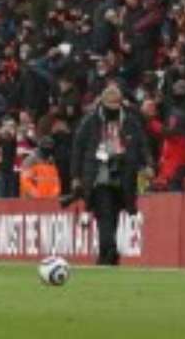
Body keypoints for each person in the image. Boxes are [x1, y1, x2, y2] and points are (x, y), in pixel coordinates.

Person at [69, 83, 148, 268]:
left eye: (116, 105)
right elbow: (78, 149)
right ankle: (109, 248)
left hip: (123, 172)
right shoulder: (90, 121)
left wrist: (147, 164)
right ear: (102, 103)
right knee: (104, 211)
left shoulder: (130, 121)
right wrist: (75, 176)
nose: (113, 109)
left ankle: (106, 254)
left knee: (113, 213)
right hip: (98, 174)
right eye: (110, 106)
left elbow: (142, 144)